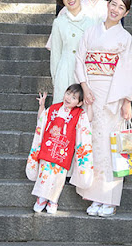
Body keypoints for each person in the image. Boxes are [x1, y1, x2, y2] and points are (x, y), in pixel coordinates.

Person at [74, 0, 132, 217]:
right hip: (91, 93)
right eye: (113, 4)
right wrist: (84, 88)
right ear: (108, 4)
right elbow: (80, 58)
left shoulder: (125, 38)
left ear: (126, 13)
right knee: (91, 143)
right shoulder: (91, 31)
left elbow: (127, 71)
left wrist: (126, 101)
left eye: (120, 8)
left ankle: (110, 200)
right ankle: (94, 196)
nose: (115, 9)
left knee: (110, 146)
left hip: (112, 95)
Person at [25, 84, 94, 214]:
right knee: (44, 173)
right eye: (68, 94)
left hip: (63, 151)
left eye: (74, 97)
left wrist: (89, 106)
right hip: (48, 147)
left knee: (59, 176)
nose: (68, 98)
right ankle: (41, 198)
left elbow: (88, 120)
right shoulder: (54, 108)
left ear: (79, 103)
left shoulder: (79, 114)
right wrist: (41, 106)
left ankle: (53, 200)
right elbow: (42, 119)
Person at [49, 0, 96, 103]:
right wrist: (55, 79)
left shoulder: (92, 21)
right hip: (65, 70)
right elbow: (55, 53)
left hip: (85, 72)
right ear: (62, 0)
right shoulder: (59, 23)